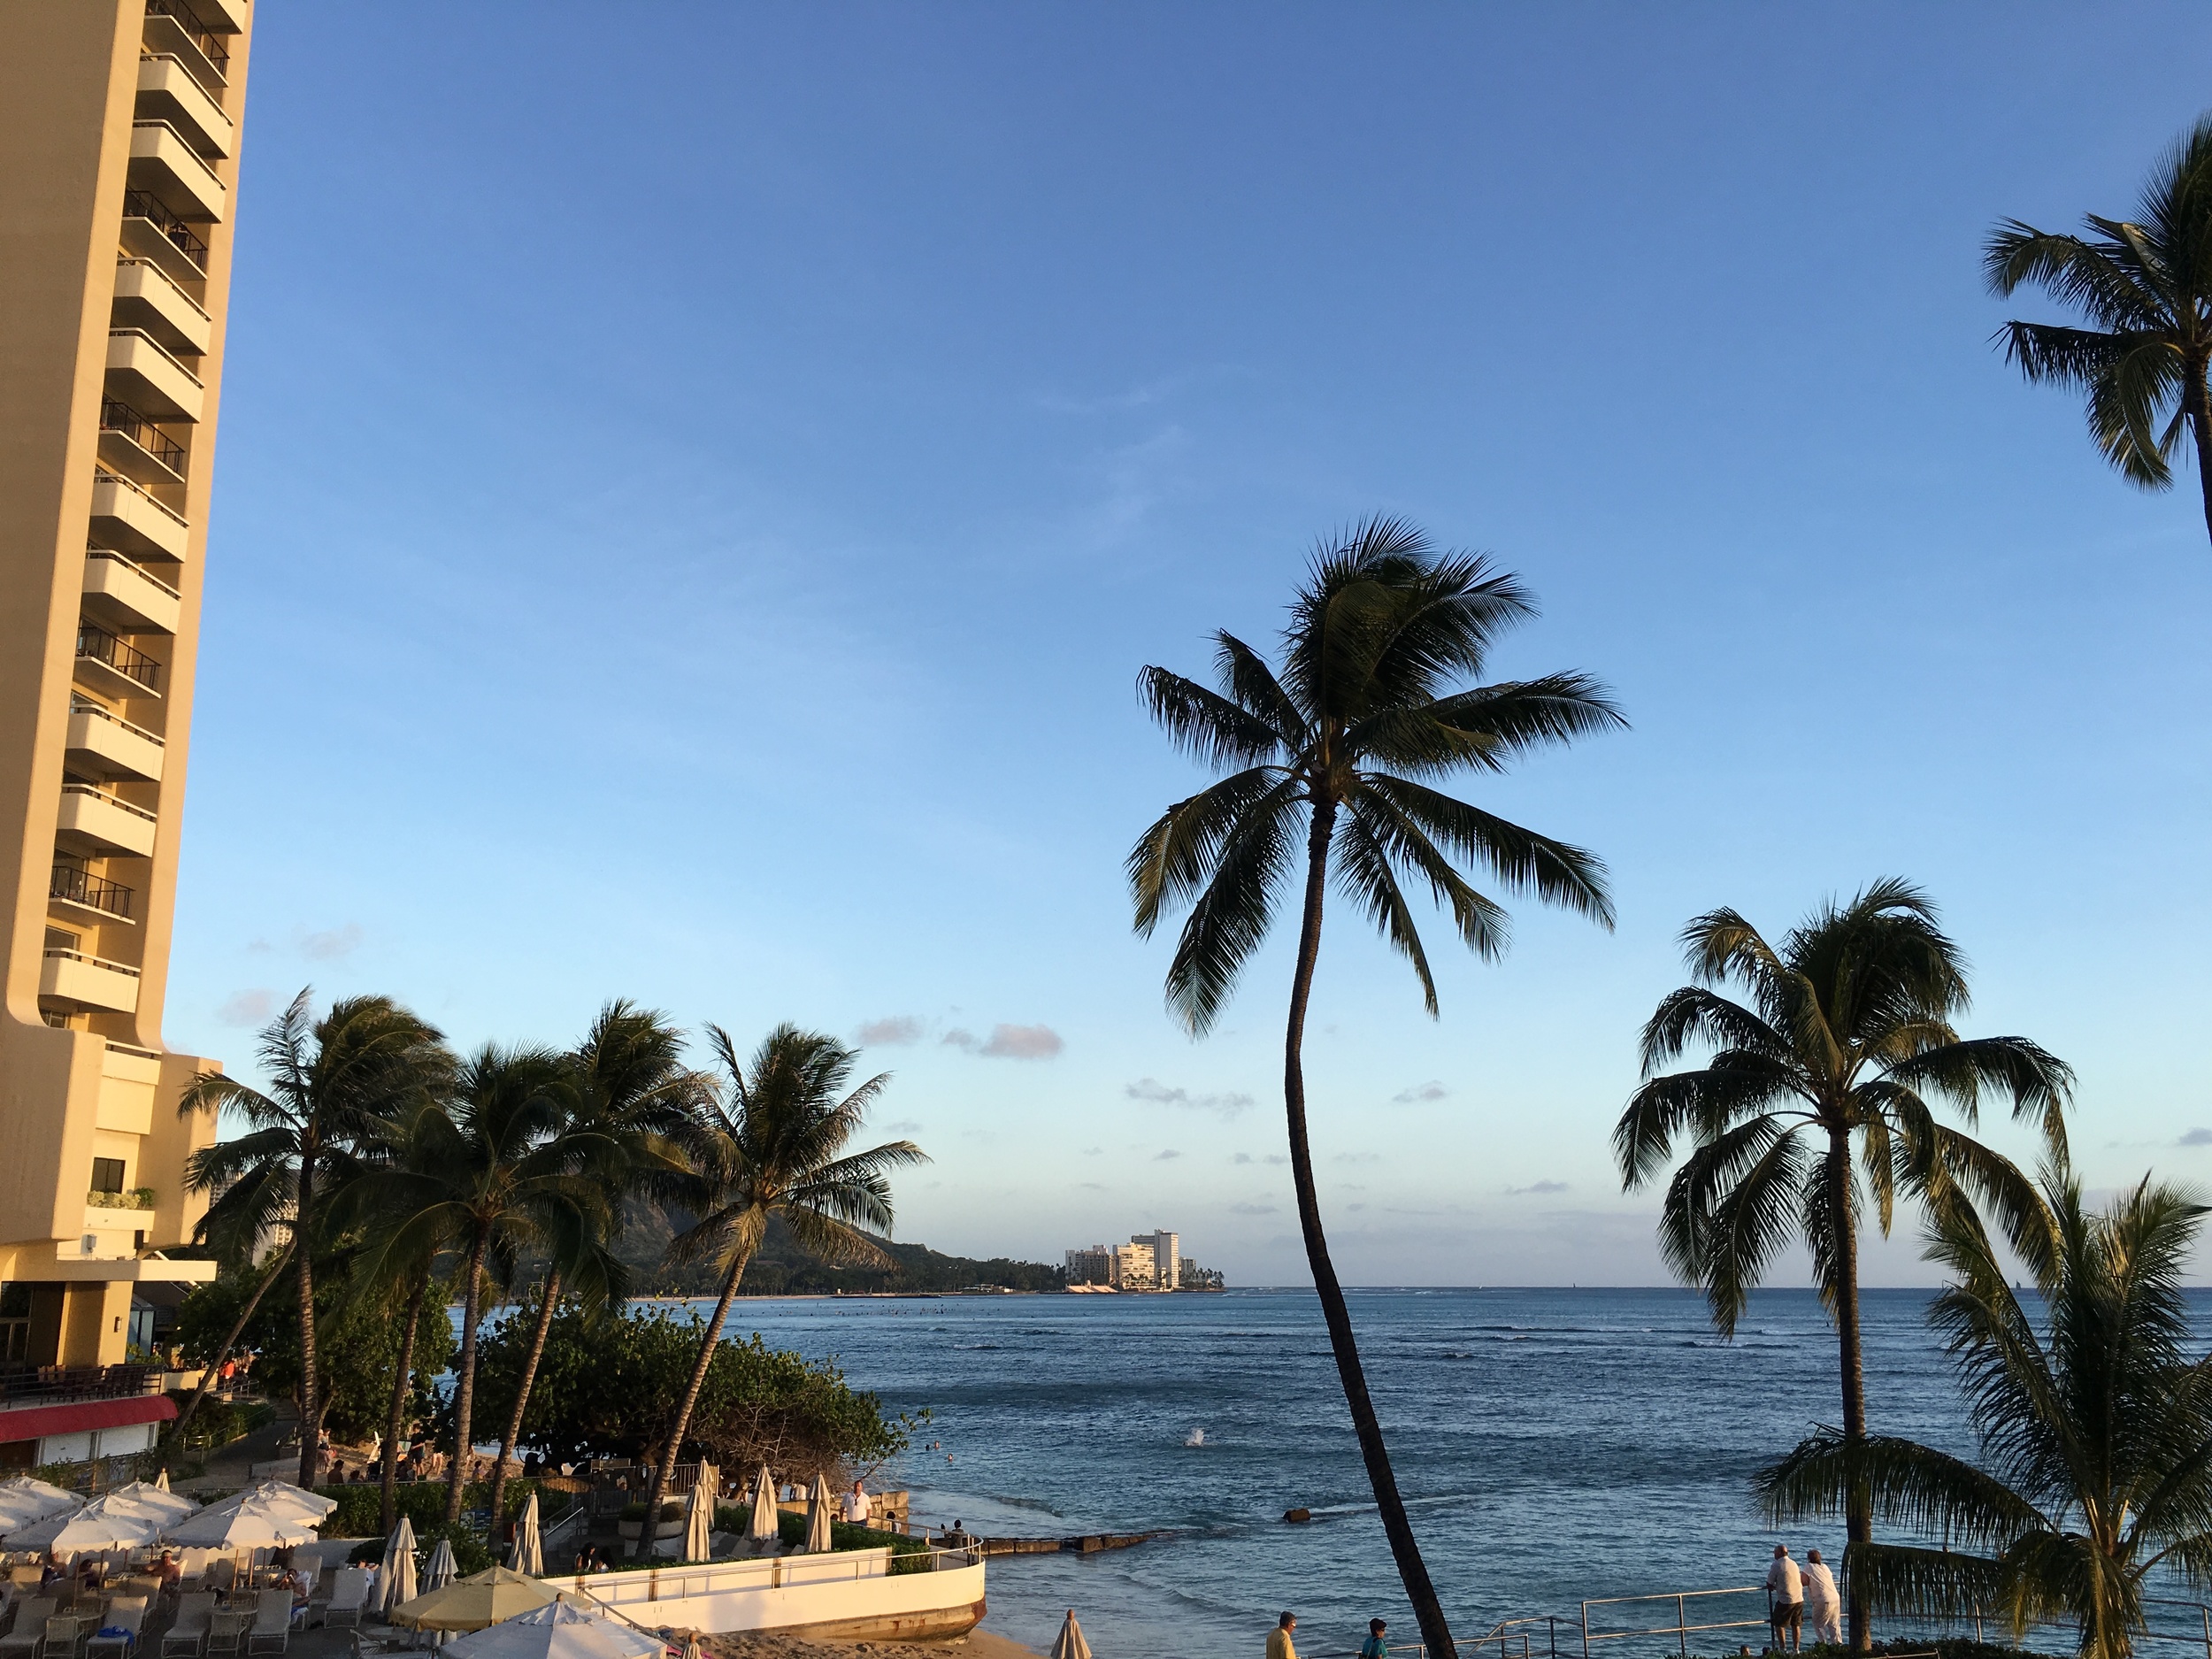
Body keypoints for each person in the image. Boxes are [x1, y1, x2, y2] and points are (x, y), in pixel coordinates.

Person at [1766, 1545, 1803, 1654]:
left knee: (1779, 1623)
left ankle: (1783, 1649)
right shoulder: (1793, 1563)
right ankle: (1796, 1649)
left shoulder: (1777, 1564)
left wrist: (1773, 1587)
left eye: (1774, 1552)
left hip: (1786, 1599)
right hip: (1799, 1597)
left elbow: (1769, 1582)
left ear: (1779, 1553)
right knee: (1796, 1624)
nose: (1774, 1554)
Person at [1801, 1549, 1840, 1647]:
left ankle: (1823, 1645)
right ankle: (1837, 1645)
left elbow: (1803, 1582)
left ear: (1809, 1559)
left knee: (1818, 1624)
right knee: (1834, 1624)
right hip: (1835, 1597)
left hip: (1822, 1598)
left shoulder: (1809, 1567)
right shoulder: (1825, 1567)